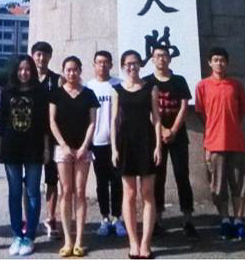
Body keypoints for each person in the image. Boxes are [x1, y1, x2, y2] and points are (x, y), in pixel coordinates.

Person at [195, 47, 245, 242]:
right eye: (215, 60)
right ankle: (225, 220)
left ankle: (239, 221)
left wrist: (231, 127)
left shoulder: (236, 85)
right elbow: (201, 113)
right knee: (218, 187)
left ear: (227, 63)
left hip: (236, 143)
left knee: (239, 185)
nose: (219, 63)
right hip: (214, 144)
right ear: (209, 63)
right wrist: (214, 130)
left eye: (222, 60)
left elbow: (242, 111)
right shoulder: (202, 86)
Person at [143, 46, 199, 239]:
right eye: (157, 56)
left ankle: (188, 218)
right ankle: (157, 219)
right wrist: (162, 130)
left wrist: (173, 130)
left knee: (182, 175)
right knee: (157, 177)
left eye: (164, 55)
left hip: (178, 136)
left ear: (170, 58)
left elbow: (184, 107)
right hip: (155, 138)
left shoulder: (179, 80)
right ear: (152, 59)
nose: (161, 59)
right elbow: (148, 110)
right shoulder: (147, 82)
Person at [111, 50, 162, 259]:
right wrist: (113, 148)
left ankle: (146, 243)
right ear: (123, 66)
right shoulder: (117, 90)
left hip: (146, 141)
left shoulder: (151, 88)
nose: (132, 67)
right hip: (125, 143)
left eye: (135, 63)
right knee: (129, 194)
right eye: (128, 64)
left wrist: (158, 146)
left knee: (147, 193)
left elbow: (156, 119)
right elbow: (114, 120)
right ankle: (133, 241)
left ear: (140, 65)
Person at [0, 55, 50, 257]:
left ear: (32, 71)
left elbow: (45, 124)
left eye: (27, 69)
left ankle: (30, 235)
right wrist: (0, 150)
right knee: (14, 192)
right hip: (11, 148)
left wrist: (46, 149)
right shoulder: (7, 92)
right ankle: (17, 235)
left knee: (32, 192)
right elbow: (3, 123)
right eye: (20, 69)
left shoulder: (40, 92)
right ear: (15, 71)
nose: (24, 73)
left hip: (34, 148)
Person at [50, 56, 100, 258]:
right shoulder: (56, 94)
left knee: (79, 191)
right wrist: (63, 145)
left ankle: (79, 240)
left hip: (83, 149)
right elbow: (52, 121)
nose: (72, 73)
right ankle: (67, 241)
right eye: (68, 70)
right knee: (66, 190)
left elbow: (92, 122)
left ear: (80, 71)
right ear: (64, 71)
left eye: (75, 69)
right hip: (62, 149)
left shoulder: (89, 94)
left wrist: (84, 146)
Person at [85, 51, 125, 237]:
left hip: (117, 141)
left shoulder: (118, 85)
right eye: (99, 62)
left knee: (117, 181)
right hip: (97, 141)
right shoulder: (88, 87)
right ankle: (104, 218)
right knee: (101, 182)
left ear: (111, 64)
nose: (102, 65)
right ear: (94, 65)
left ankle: (117, 218)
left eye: (105, 62)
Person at [30, 41, 62, 240]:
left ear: (50, 57)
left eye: (45, 55)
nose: (41, 58)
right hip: (30, 136)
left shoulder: (56, 80)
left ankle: (50, 218)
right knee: (29, 181)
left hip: (51, 136)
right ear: (33, 56)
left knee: (51, 179)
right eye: (38, 54)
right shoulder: (26, 77)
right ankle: (29, 218)